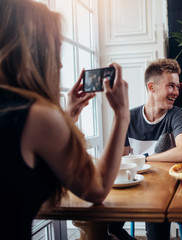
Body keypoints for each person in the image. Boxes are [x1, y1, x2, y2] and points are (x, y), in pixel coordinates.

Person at [0, 1, 130, 239]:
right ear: (35, 52)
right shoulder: (38, 117)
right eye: (56, 49)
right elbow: (97, 188)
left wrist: (66, 117)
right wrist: (122, 114)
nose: (60, 63)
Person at [109, 59, 182, 240]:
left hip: (161, 191)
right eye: (171, 86)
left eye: (178, 87)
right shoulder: (128, 116)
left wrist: (143, 159)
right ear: (152, 87)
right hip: (131, 186)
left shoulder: (176, 115)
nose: (176, 92)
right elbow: (120, 158)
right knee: (106, 229)